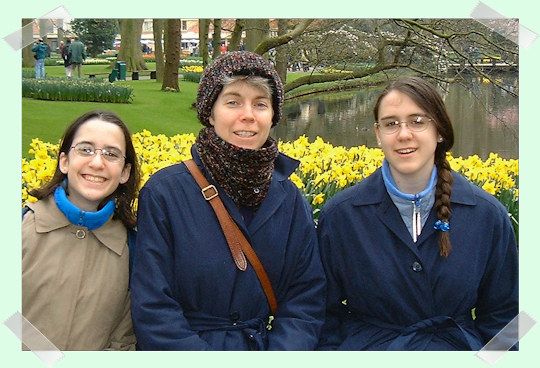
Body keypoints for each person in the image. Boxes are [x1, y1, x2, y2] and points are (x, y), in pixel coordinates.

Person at [131, 51, 326, 351]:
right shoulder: (165, 193)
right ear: (210, 113)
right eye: (233, 101)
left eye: (260, 104)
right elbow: (153, 306)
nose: (248, 114)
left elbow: (305, 299)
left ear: (272, 116)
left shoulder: (290, 199)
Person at [317, 76, 518, 351]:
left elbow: (509, 318)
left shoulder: (487, 215)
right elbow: (321, 314)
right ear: (378, 134)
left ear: (440, 131)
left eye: (417, 121)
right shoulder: (342, 216)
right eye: (391, 124)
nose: (403, 134)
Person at [22, 110, 140, 351]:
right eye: (85, 149)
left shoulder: (132, 248)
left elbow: (123, 341)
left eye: (111, 154)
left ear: (125, 172)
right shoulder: (22, 227)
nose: (97, 163)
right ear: (64, 161)